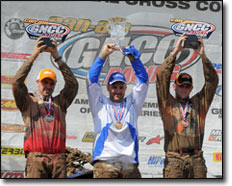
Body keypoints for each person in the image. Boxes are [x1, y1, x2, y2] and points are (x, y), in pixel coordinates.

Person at [12, 37, 78, 178]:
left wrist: (56, 56)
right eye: (44, 83)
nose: (48, 86)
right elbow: (17, 83)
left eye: (51, 84)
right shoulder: (27, 101)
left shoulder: (60, 102)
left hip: (58, 160)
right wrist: (35, 54)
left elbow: (72, 85)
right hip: (36, 159)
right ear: (37, 83)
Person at [156, 34, 219, 178]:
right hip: (174, 161)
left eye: (187, 86)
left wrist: (202, 56)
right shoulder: (167, 103)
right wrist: (176, 51)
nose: (184, 89)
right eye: (181, 86)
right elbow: (161, 77)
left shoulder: (199, 104)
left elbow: (213, 82)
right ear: (174, 87)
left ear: (191, 88)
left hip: (196, 161)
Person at [86, 44, 149, 178]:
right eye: (114, 87)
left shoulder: (132, 103)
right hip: (105, 163)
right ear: (108, 88)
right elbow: (91, 79)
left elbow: (143, 81)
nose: (118, 91)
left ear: (126, 88)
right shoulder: (99, 104)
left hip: (129, 165)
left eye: (121, 87)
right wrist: (103, 55)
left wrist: (134, 60)